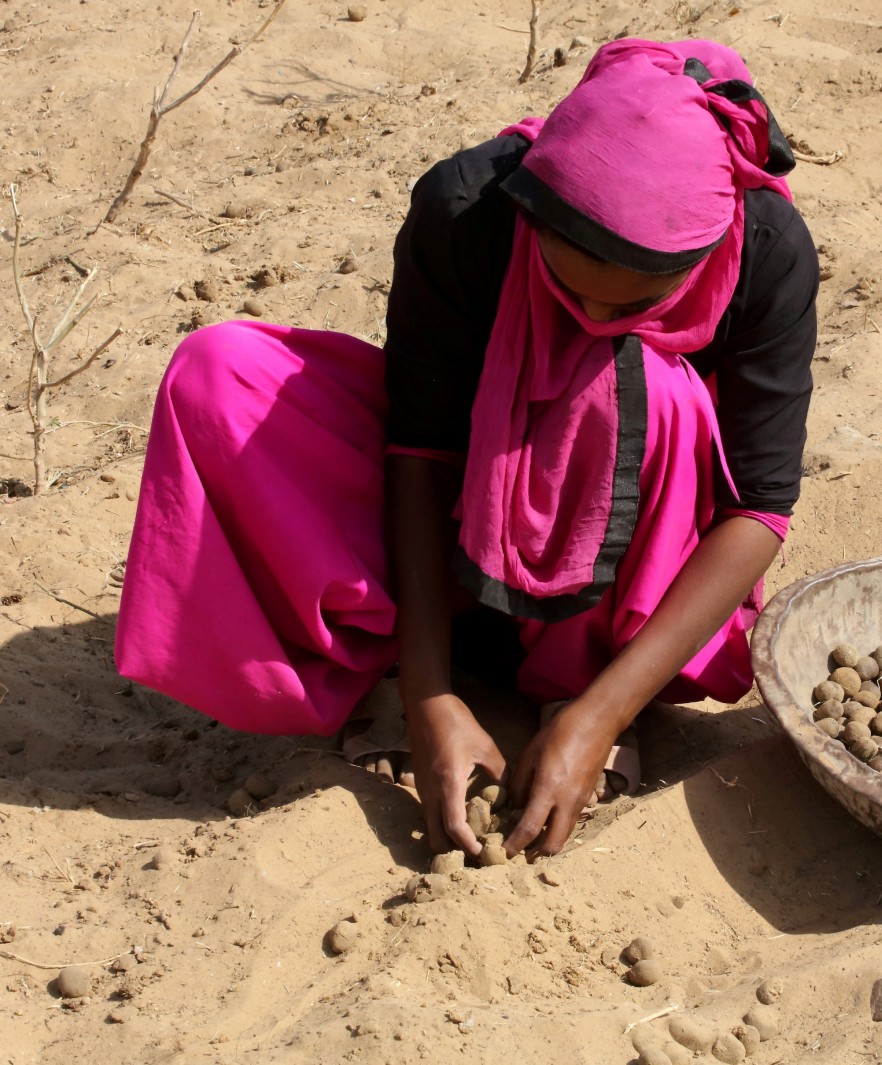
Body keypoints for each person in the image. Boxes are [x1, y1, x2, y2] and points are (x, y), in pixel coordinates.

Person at [115, 37, 818, 859]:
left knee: (617, 376)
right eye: (569, 284)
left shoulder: (765, 251)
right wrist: (428, 695)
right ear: (531, 214)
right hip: (457, 538)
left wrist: (600, 717)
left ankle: (568, 687)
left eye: (631, 300)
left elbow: (759, 510)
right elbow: (420, 443)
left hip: (628, 576)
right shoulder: (467, 208)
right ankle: (408, 657)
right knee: (220, 375)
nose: (589, 312)